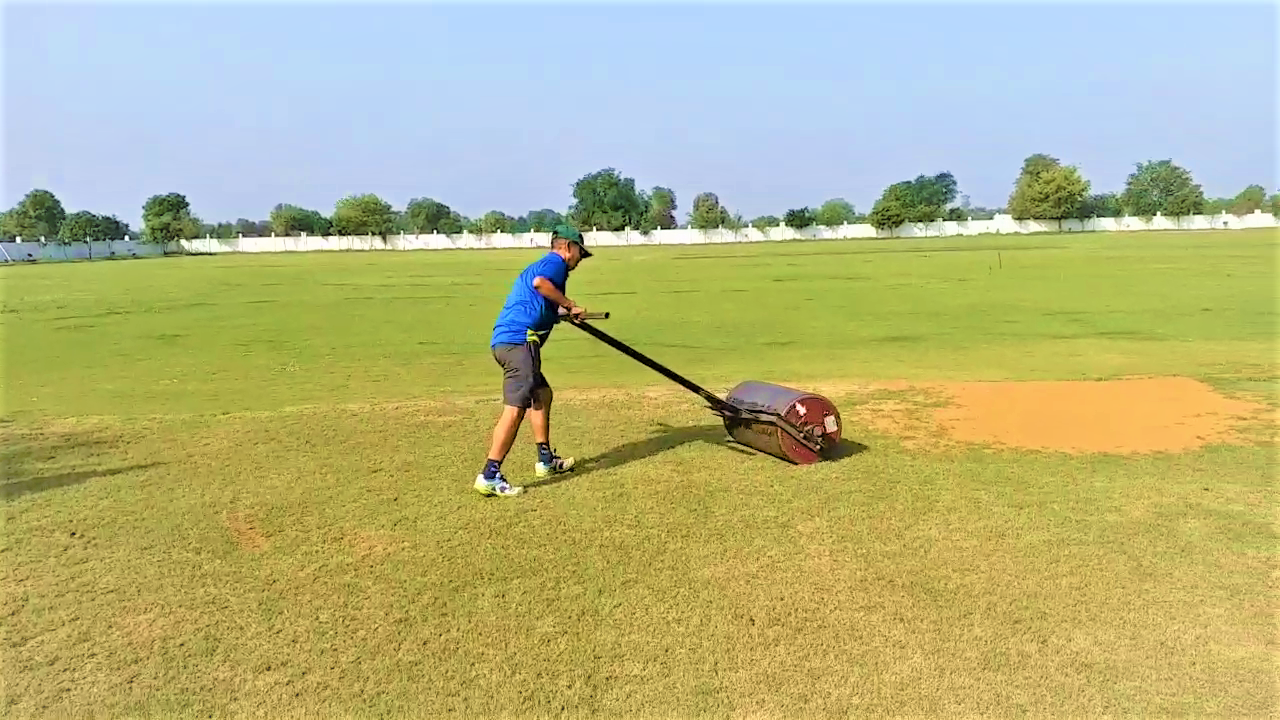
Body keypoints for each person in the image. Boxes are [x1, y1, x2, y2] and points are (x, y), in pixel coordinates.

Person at [474, 224, 593, 497]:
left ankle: (545, 459)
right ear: (567, 247)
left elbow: (537, 300)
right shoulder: (554, 264)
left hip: (506, 341)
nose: (578, 260)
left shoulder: (541, 265)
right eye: (578, 253)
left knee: (542, 394)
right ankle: (490, 474)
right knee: (515, 408)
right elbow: (541, 284)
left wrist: (560, 312)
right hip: (520, 342)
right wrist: (569, 304)